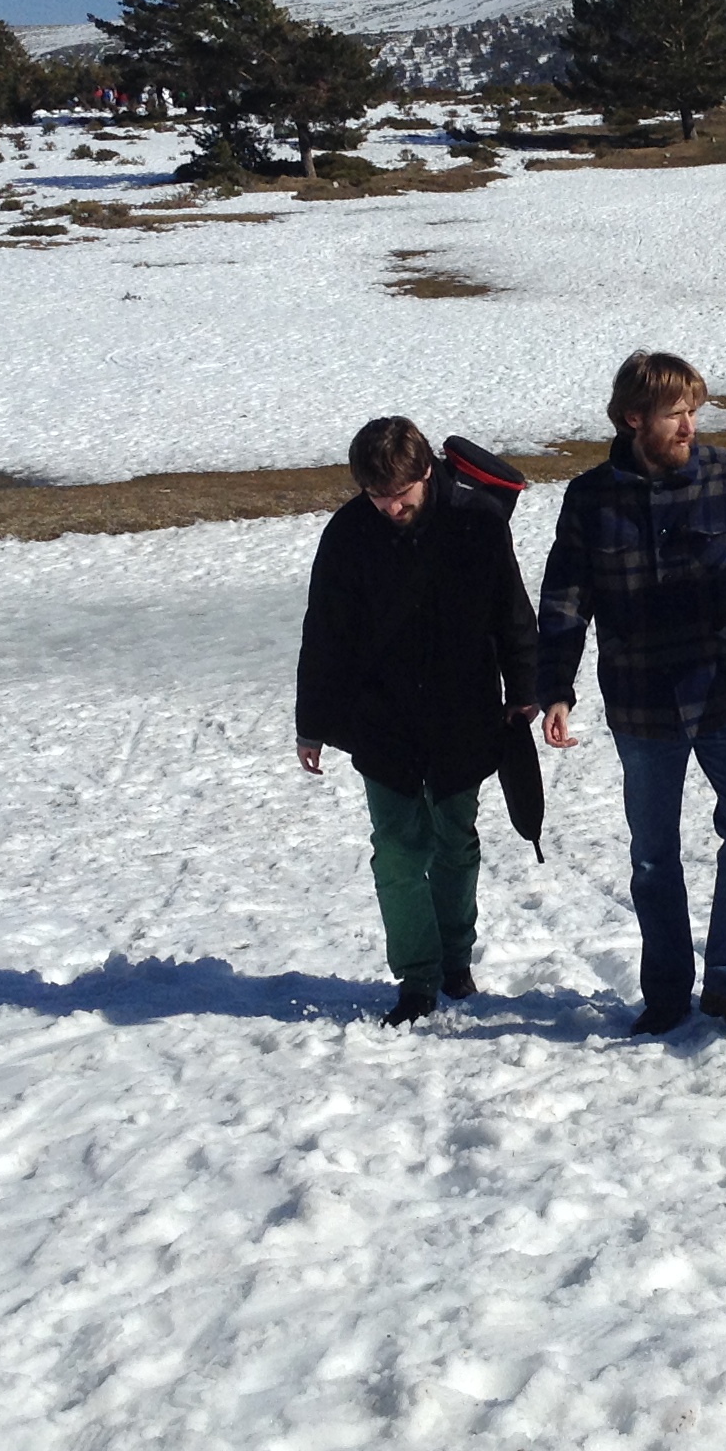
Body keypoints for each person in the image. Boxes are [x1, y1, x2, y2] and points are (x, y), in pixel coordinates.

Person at [538, 352, 726, 1036]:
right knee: (654, 855)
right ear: (634, 419)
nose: (690, 425)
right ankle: (667, 993)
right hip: (642, 704)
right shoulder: (591, 498)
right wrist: (554, 688)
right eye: (678, 413)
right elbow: (565, 600)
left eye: (695, 411)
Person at [297, 417, 538, 1027]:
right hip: (382, 721)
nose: (390, 507)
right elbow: (324, 633)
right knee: (399, 854)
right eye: (377, 496)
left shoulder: (478, 521)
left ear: (426, 472)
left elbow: (511, 613)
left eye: (400, 495)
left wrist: (528, 691)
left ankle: (455, 958)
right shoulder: (348, 534)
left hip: (464, 713)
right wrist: (312, 722)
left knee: (455, 843)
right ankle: (416, 978)